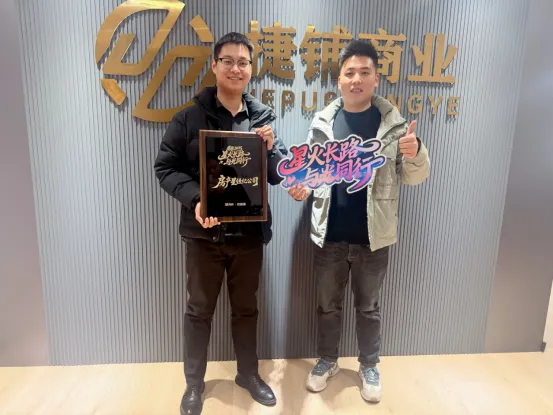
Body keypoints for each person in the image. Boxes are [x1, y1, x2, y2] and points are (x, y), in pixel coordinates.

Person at [288, 39, 430, 403]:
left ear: (375, 78)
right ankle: (327, 360)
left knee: (369, 307)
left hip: (373, 238)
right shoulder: (323, 121)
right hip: (330, 235)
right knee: (327, 306)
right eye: (349, 73)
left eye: (364, 72)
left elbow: (413, 177)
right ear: (339, 79)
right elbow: (312, 172)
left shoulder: (394, 125)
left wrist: (416, 153)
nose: (356, 79)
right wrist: (302, 185)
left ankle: (369, 365)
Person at [154, 32, 287, 415]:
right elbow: (165, 168)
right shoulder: (188, 117)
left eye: (243, 62)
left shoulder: (263, 119)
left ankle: (248, 375)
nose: (235, 68)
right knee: (199, 310)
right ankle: (194, 384)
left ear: (251, 69)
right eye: (228, 61)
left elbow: (276, 174)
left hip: (249, 236)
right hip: (204, 235)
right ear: (214, 65)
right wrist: (197, 199)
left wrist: (272, 151)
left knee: (246, 309)